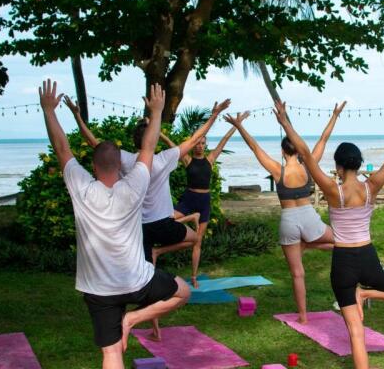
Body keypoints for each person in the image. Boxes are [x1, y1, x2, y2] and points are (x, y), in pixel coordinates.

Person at [274, 98, 384, 369]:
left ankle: (362, 295)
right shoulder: (372, 185)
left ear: (339, 167)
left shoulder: (332, 189)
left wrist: (285, 122)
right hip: (367, 259)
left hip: (341, 264)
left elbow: (305, 154)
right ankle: (366, 294)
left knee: (355, 331)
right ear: (358, 163)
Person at [40, 80, 190, 369]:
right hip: (137, 281)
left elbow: (61, 148)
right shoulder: (134, 185)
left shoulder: (81, 188)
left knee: (111, 354)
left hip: (98, 289)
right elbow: (148, 147)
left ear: (93, 166)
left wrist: (49, 111)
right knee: (182, 291)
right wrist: (156, 112)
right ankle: (133, 319)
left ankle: (129, 319)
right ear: (119, 165)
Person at [65, 97, 231, 288]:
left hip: (136, 226)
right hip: (162, 224)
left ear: (135, 140)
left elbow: (95, 143)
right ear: (153, 138)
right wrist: (214, 115)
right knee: (194, 238)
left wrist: (77, 116)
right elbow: (194, 140)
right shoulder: (163, 159)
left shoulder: (126, 160)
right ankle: (158, 253)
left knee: (146, 274)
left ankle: (151, 305)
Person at [224, 102, 345, 324]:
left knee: (297, 274)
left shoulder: (277, 170)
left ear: (282, 151)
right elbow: (323, 140)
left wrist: (240, 126)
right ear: (298, 149)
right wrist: (335, 116)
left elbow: (254, 148)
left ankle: (303, 317)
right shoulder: (308, 165)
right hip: (309, 218)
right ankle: (310, 243)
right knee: (344, 242)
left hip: (288, 220)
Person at [159, 124, 237, 263]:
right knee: (168, 220)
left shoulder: (210, 159)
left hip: (204, 202)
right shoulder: (187, 159)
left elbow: (224, 140)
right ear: (193, 144)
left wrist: (236, 125)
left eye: (202, 143)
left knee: (198, 242)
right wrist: (160, 134)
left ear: (205, 145)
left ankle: (194, 277)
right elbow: (172, 145)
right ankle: (191, 218)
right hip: (189, 199)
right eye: (197, 143)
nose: (200, 146)